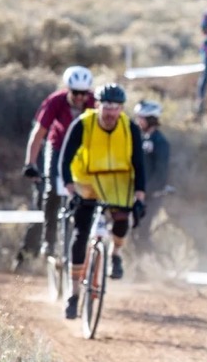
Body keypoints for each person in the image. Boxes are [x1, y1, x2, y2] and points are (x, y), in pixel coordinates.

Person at [57, 83, 146, 320]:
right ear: (97, 105)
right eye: (106, 106)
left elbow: (139, 163)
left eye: (115, 107)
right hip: (87, 179)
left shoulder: (130, 128)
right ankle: (74, 294)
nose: (110, 112)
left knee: (121, 220)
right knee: (81, 232)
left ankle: (115, 255)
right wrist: (70, 190)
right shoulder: (83, 124)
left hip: (119, 180)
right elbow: (65, 160)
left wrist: (139, 196)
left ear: (121, 109)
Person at [16, 65, 96, 271]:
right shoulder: (55, 102)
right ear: (68, 89)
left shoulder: (94, 104)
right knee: (52, 188)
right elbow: (38, 133)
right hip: (58, 147)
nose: (80, 98)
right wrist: (30, 163)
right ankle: (48, 240)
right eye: (76, 93)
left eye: (83, 93)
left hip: (82, 151)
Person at [132, 99, 170, 250]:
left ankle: (151, 266)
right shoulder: (142, 139)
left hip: (152, 196)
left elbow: (161, 172)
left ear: (150, 119)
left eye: (140, 118)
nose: (138, 121)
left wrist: (146, 191)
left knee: (142, 232)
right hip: (140, 194)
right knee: (134, 231)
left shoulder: (160, 142)